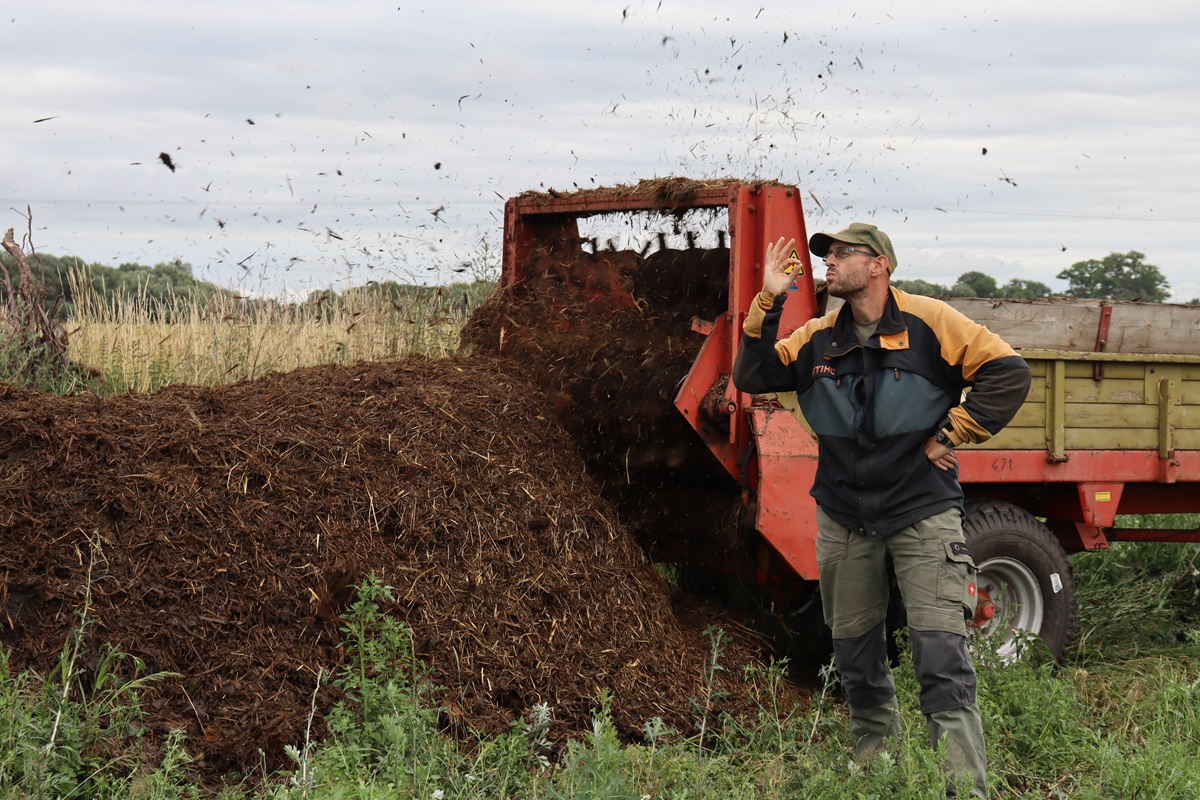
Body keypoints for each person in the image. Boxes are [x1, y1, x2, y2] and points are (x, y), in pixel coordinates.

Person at [732, 223, 1031, 798]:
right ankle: (874, 776)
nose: (830, 262)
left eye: (843, 254)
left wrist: (955, 431)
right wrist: (769, 299)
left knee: (940, 653)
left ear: (879, 265)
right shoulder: (818, 336)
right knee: (855, 654)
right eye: (829, 254)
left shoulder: (931, 322)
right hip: (844, 513)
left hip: (921, 508)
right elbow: (754, 374)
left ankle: (962, 787)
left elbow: (1008, 371)